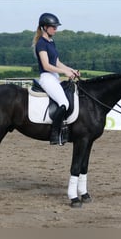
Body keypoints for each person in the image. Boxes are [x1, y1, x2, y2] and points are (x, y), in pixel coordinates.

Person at [33, 13, 80, 145]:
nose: (56, 29)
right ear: (44, 27)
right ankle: (54, 133)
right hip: (47, 77)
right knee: (63, 103)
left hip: (54, 77)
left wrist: (71, 70)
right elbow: (47, 66)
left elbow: (57, 62)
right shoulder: (41, 44)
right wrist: (65, 72)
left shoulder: (51, 42)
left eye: (56, 27)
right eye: (53, 27)